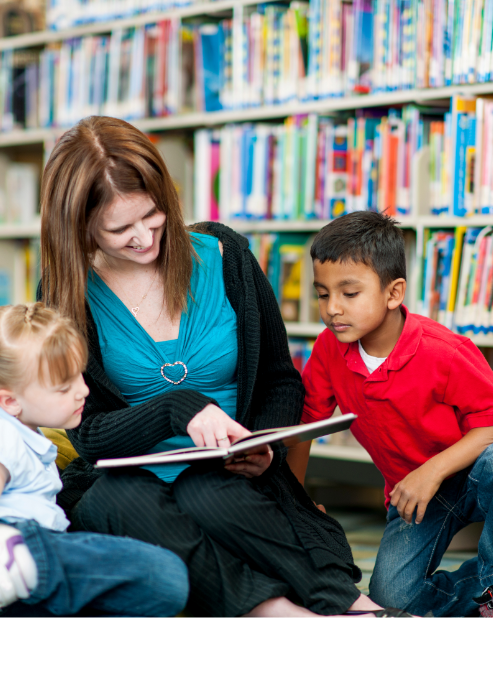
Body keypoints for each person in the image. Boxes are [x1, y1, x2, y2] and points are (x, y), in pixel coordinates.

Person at [39, 115, 403, 618]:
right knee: (114, 503)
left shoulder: (224, 255)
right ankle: (277, 613)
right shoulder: (65, 296)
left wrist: (265, 446)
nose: (144, 238)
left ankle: (348, 606)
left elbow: (279, 379)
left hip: (232, 472)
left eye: (152, 216)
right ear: (78, 226)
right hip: (132, 476)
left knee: (209, 491)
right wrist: (179, 411)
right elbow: (89, 432)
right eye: (120, 229)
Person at [299, 211, 493, 618]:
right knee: (393, 600)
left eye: (349, 293)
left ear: (393, 294)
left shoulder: (442, 350)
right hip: (412, 497)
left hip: (472, 475)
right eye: (323, 294)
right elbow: (307, 426)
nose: (333, 308)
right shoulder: (328, 349)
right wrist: (297, 502)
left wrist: (431, 471)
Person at [0, 303, 188, 618]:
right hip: (3, 548)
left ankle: (20, 569)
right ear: (10, 401)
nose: (83, 391)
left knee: (156, 594)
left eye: (80, 377)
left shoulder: (23, 432)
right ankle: (17, 559)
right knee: (166, 575)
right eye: (63, 387)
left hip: (15, 587)